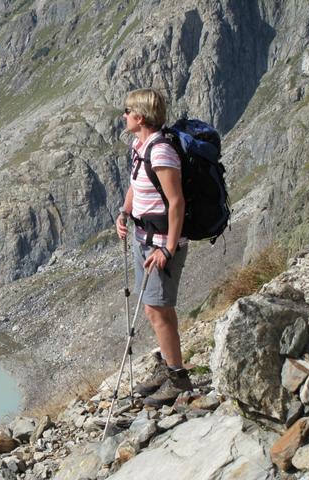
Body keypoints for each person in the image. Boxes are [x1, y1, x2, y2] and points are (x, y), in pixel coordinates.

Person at [115, 88, 192, 406]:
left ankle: (178, 378)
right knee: (154, 308)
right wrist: (124, 212)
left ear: (141, 117)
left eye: (127, 111)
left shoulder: (161, 152)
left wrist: (168, 248)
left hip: (160, 246)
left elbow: (176, 202)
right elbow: (136, 184)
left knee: (158, 311)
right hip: (143, 239)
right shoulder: (140, 146)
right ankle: (168, 367)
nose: (124, 115)